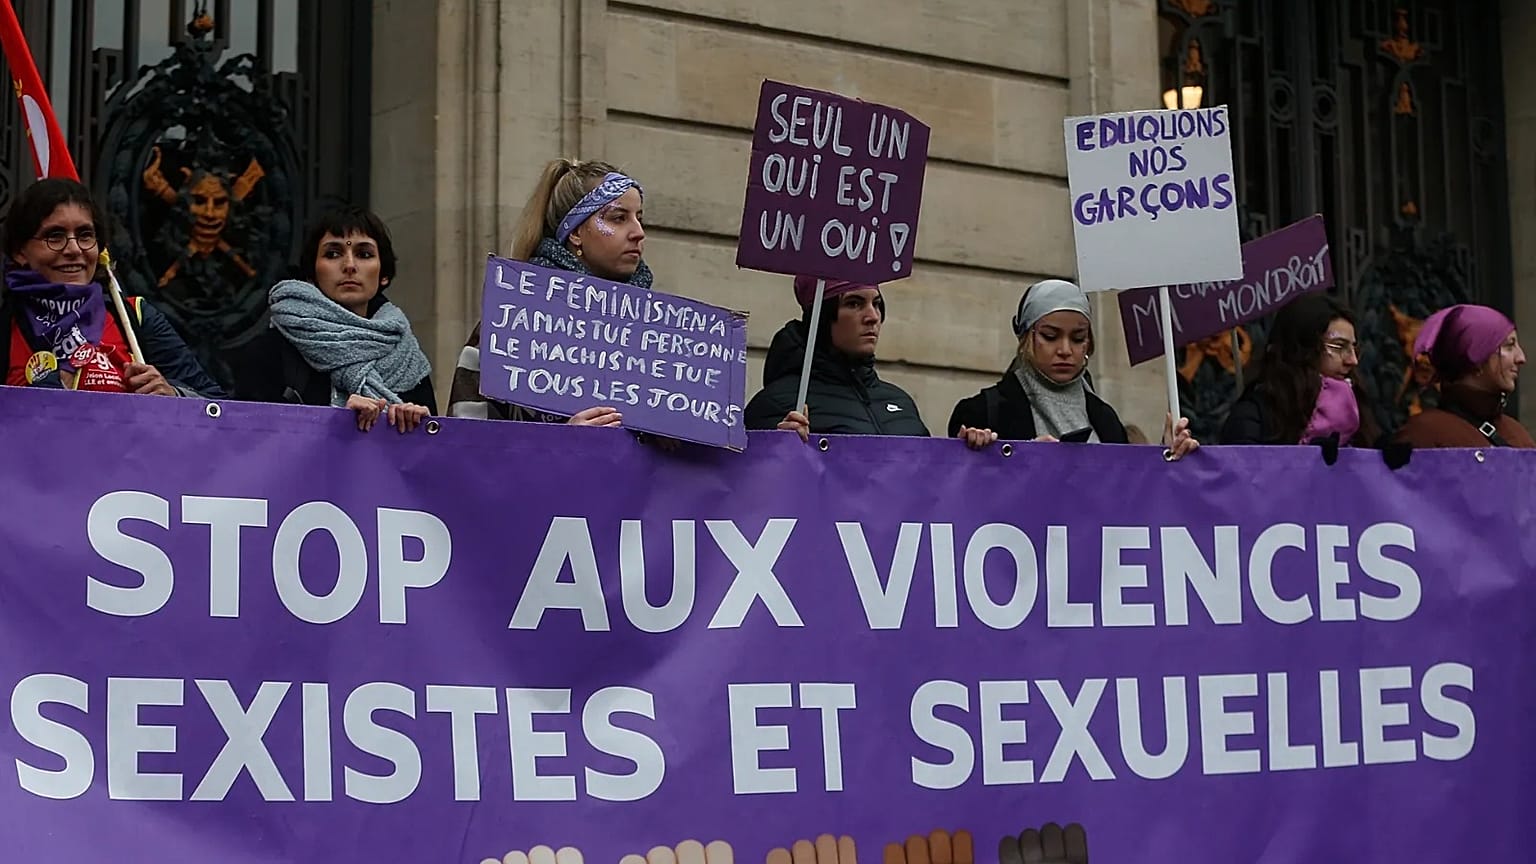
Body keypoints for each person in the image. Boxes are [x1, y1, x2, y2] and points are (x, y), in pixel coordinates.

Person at [449, 158, 650, 426]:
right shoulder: (507, 322)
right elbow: (468, 443)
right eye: (618, 218)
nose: (638, 232)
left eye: (639, 218)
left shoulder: (656, 331)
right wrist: (562, 444)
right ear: (576, 232)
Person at [1, 178, 224, 397]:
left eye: (85, 235)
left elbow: (218, 407)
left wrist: (173, 395)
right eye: (55, 236)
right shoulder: (7, 323)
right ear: (20, 251)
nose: (74, 249)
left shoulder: (134, 316)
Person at [231, 206, 435, 432]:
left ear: (383, 274)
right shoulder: (272, 351)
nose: (349, 266)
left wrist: (414, 430)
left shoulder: (406, 358)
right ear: (312, 273)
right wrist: (336, 421)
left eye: (364, 254)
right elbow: (247, 444)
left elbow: (430, 460)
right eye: (333, 254)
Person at [948, 279, 1198, 458]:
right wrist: (995, 454)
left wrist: (1166, 458)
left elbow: (1128, 499)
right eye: (1050, 336)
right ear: (1026, 338)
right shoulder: (982, 413)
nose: (1065, 350)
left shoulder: (1107, 420)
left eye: (1078, 338)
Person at [743, 276, 928, 438]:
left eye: (877, 304)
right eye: (854, 304)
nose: (872, 316)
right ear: (822, 316)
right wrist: (780, 448)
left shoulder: (902, 403)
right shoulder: (779, 405)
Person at [1221, 293, 1382, 447]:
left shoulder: (1357, 409)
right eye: (1339, 346)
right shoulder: (1253, 417)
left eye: (1354, 349)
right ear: (1303, 348)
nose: (1352, 361)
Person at [1394, 303, 1531, 448]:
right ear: (1476, 357)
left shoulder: (1517, 433)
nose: (1521, 358)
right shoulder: (1423, 434)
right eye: (1509, 346)